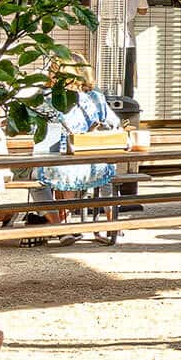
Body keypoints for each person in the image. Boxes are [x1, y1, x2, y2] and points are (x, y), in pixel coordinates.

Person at [30, 62, 123, 245]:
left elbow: (34, 128)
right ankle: (113, 224)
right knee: (108, 174)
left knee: (36, 181)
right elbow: (114, 122)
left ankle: (59, 227)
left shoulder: (46, 98)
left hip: (61, 167)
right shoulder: (95, 97)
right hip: (95, 167)